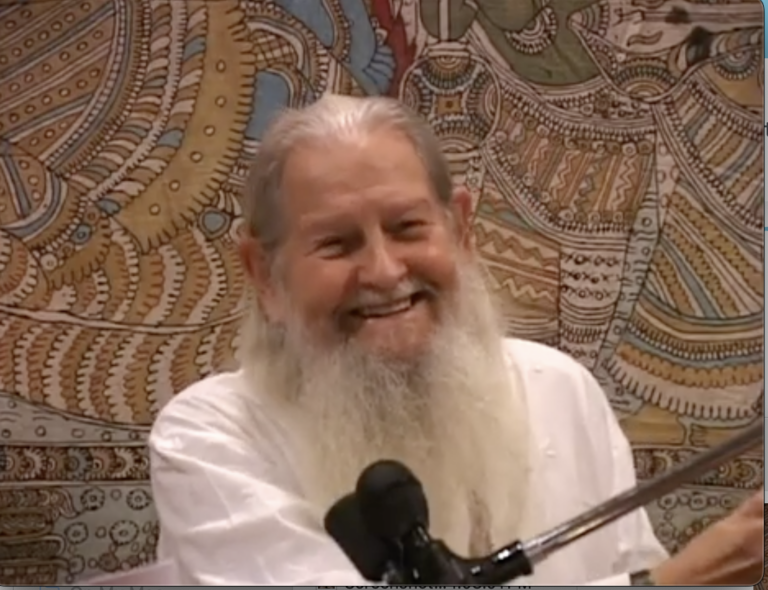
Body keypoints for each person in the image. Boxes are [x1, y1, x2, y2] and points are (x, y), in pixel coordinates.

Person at [148, 94, 763, 586]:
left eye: (408, 227)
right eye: (337, 243)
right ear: (264, 274)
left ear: (461, 230)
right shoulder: (209, 438)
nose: (385, 271)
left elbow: (629, 567)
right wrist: (689, 577)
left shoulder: (561, 389)